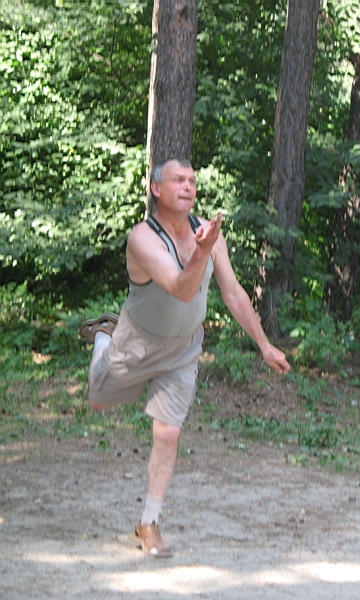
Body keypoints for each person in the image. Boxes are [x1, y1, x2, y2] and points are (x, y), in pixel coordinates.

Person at [80, 157, 290, 557]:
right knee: (98, 401)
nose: (188, 186)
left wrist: (264, 345)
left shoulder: (208, 234)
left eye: (192, 180)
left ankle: (148, 523)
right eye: (178, 180)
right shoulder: (143, 238)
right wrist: (201, 251)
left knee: (169, 433)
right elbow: (181, 288)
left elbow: (233, 293)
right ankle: (104, 339)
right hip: (137, 342)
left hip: (183, 348)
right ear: (156, 189)